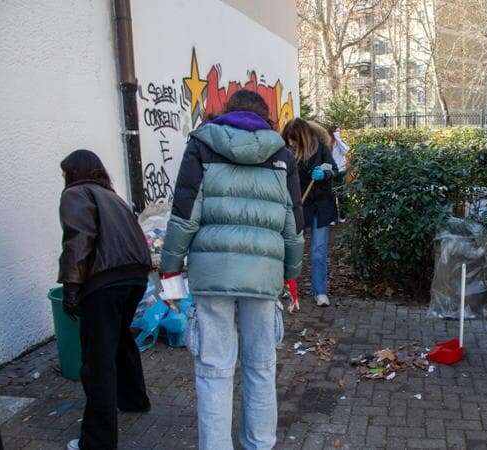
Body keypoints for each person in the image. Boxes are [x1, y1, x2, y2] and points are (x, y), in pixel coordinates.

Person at [160, 90, 304, 450]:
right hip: (263, 277)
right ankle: (260, 444)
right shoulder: (282, 155)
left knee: (214, 371)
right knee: (261, 367)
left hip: (212, 276)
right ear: (264, 117)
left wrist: (170, 270)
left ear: (226, 112)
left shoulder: (201, 146)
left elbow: (184, 215)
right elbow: (293, 224)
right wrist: (290, 273)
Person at [57, 150, 152, 450]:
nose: (63, 179)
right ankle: (134, 399)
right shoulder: (113, 196)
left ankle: (97, 442)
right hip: (135, 276)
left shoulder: (75, 193)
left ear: (73, 172)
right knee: (120, 338)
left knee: (98, 360)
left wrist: (72, 286)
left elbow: (78, 240)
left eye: (64, 173)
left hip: (104, 281)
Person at [281, 119, 338, 307]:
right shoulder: (287, 153)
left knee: (319, 251)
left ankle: (320, 290)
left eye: (295, 141)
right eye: (289, 141)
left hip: (321, 206)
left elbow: (334, 170)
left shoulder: (321, 149)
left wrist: (325, 173)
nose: (292, 145)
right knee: (290, 248)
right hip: (297, 206)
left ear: (303, 138)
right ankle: (286, 287)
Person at [330, 126, 350, 223]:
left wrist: (338, 138)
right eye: (337, 131)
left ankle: (342, 216)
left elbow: (346, 150)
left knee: (342, 195)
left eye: (339, 132)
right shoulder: (327, 143)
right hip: (332, 172)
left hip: (341, 171)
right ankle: (333, 218)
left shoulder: (340, 143)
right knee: (331, 195)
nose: (339, 133)